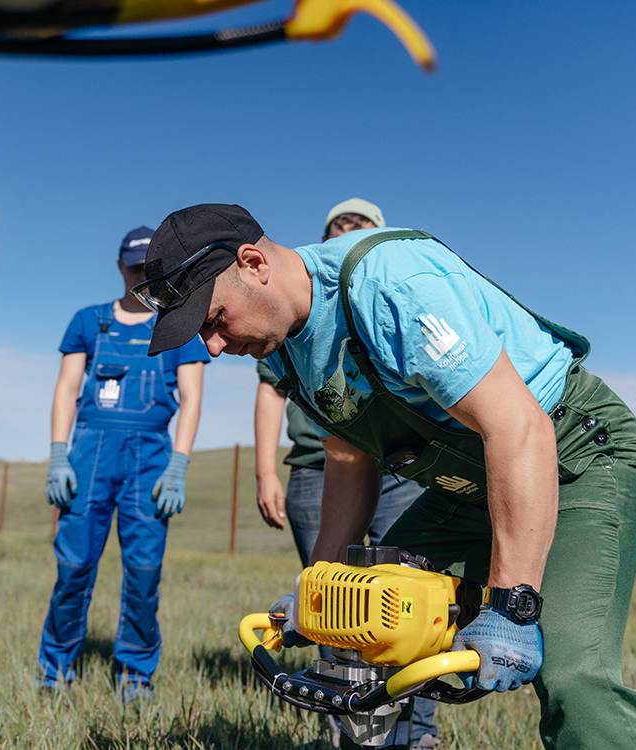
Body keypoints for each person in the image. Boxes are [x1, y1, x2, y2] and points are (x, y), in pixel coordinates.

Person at [135, 204, 636, 750]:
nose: (215, 347)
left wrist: (513, 603)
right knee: (364, 617)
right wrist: (317, 594)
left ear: (253, 263)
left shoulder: (390, 286)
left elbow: (517, 426)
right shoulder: (291, 347)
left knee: (572, 673)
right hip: (473, 482)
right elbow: (347, 461)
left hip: (569, 455)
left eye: (215, 319)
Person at [253, 199, 437, 748]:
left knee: (411, 599)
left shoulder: (382, 304)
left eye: (361, 227)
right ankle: (350, 731)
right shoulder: (293, 315)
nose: (348, 231)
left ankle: (416, 732)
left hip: (400, 466)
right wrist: (266, 471)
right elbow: (268, 391)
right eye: (339, 225)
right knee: (329, 600)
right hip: (316, 467)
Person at [38, 226, 209, 701]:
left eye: (149, 268)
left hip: (151, 459)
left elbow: (192, 400)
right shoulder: (88, 322)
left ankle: (135, 674)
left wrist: (179, 463)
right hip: (89, 455)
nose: (140, 276)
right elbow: (66, 391)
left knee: (143, 572)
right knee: (73, 566)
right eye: (133, 267)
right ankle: (55, 671)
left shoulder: (178, 326)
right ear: (120, 267)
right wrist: (57, 455)